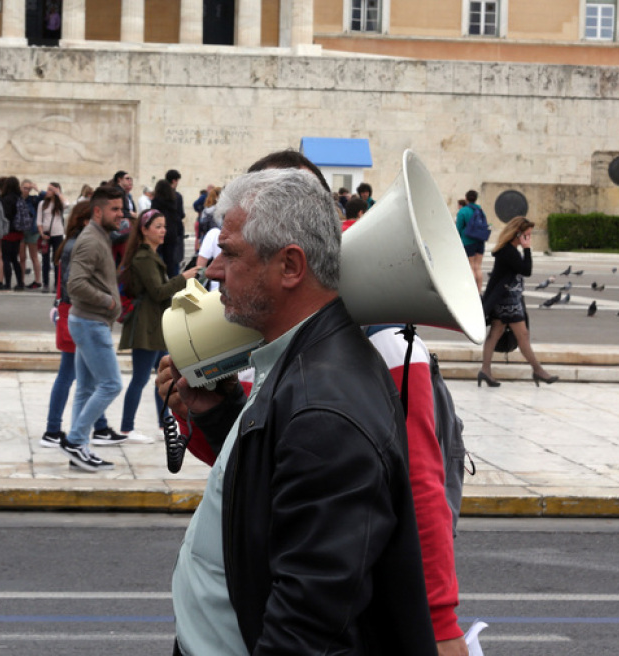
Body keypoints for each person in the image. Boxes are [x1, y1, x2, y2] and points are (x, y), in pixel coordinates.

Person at [164, 168, 437, 655]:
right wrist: (218, 411)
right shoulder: (302, 359)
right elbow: (274, 481)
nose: (212, 271)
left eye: (230, 253)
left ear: (290, 266)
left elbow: (307, 624)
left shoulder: (325, 411)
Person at [61, 185, 131, 472]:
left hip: (88, 320)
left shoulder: (101, 236)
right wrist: (108, 301)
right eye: (114, 209)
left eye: (122, 208)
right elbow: (75, 283)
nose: (120, 214)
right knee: (111, 384)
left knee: (86, 388)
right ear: (98, 211)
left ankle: (80, 450)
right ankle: (76, 439)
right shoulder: (91, 240)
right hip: (90, 322)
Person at [117, 208, 199, 442]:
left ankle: (165, 425)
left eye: (164, 226)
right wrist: (184, 278)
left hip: (156, 325)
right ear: (144, 230)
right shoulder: (143, 258)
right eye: (158, 227)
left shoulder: (151, 255)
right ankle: (127, 427)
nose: (163, 231)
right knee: (141, 378)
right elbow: (157, 292)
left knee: (164, 377)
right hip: (146, 326)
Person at [41, 201, 117, 447]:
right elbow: (76, 284)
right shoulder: (77, 245)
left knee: (87, 378)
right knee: (72, 374)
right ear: (87, 220)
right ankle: (54, 430)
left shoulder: (72, 243)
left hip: (70, 311)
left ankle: (98, 427)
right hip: (77, 313)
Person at [478, 216, 558, 387]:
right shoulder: (509, 252)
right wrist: (527, 249)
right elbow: (526, 270)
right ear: (517, 234)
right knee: (522, 336)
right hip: (508, 302)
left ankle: (485, 371)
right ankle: (538, 370)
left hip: (507, 299)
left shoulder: (508, 250)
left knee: (495, 334)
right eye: (526, 236)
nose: (528, 239)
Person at [37, 182, 66, 294]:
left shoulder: (59, 204)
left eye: (50, 189)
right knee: (45, 260)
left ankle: (56, 285)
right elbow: (39, 221)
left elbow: (67, 204)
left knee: (57, 260)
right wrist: (41, 233)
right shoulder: (42, 203)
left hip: (58, 233)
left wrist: (58, 193)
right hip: (46, 234)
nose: (48, 191)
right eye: (48, 189)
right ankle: (45, 283)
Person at [151, 178, 184, 277]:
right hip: (172, 233)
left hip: (159, 232)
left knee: (156, 258)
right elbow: (180, 215)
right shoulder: (175, 200)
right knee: (171, 261)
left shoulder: (156, 201)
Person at [0, 176, 25, 291]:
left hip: (8, 231)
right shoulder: (20, 198)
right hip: (18, 232)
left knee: (6, 258)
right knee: (15, 258)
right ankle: (20, 282)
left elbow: (5, 216)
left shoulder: (5, 199)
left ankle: (7, 283)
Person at [456, 190, 487, 294]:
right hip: (480, 241)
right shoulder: (480, 210)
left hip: (468, 241)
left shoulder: (463, 211)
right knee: (478, 266)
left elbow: (458, 228)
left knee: (470, 266)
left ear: (466, 198)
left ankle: (471, 291)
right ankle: (478, 291)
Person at [20, 178, 43, 290]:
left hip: (32, 231)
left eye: (29, 189)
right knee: (22, 257)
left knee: (34, 257)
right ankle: (22, 280)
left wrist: (36, 189)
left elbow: (44, 197)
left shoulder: (33, 199)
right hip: (20, 231)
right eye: (25, 188)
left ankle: (38, 280)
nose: (27, 191)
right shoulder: (18, 199)